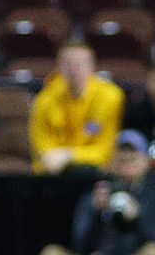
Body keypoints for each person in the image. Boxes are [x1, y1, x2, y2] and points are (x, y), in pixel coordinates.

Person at [29, 40, 122, 173]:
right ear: (58, 67)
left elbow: (106, 150)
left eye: (81, 64)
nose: (74, 69)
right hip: (54, 171)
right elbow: (42, 149)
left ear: (92, 66)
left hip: (92, 169)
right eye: (68, 63)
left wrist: (69, 155)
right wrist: (54, 158)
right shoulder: (45, 99)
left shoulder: (110, 97)